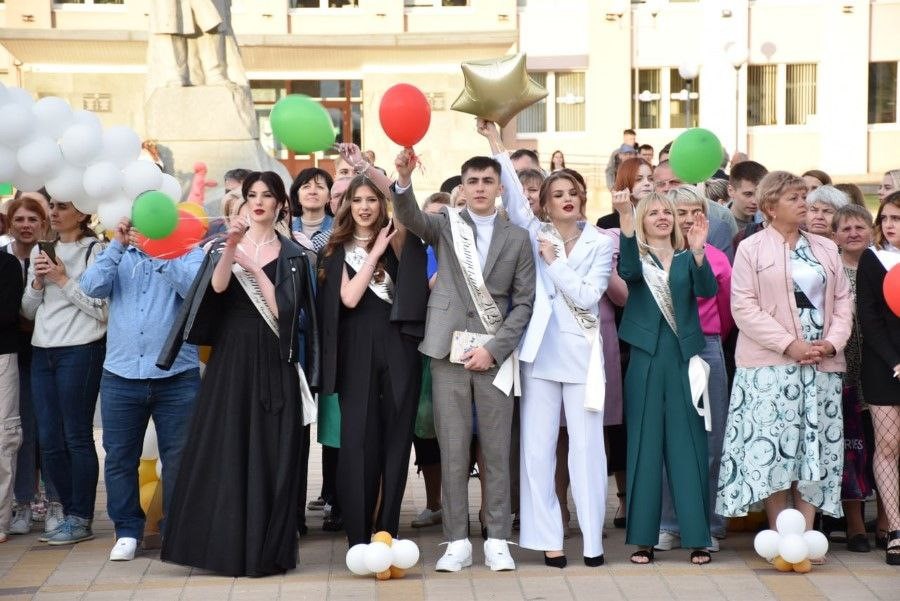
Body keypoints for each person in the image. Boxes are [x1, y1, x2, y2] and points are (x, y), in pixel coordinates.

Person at [159, 171, 319, 577]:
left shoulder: (294, 253)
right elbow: (216, 287)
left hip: (274, 357)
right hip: (231, 357)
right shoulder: (223, 244)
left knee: (271, 450)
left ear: (281, 203)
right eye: (252, 195)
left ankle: (265, 547)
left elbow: (286, 313)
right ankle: (224, 546)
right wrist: (232, 247)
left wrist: (256, 268)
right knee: (227, 446)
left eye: (267, 195)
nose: (259, 201)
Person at [391, 146, 535, 572]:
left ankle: (497, 539)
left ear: (499, 188)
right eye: (472, 181)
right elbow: (410, 216)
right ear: (463, 187)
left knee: (497, 450)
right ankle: (456, 541)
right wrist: (403, 179)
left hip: (494, 355)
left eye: (488, 181)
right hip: (447, 350)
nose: (480, 188)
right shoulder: (446, 225)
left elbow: (524, 303)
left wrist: (495, 348)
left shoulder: (517, 237)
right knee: (452, 449)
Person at [479, 120, 612, 568]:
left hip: (582, 355)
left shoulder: (600, 242)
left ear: (582, 199)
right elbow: (514, 197)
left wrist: (554, 265)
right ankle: (548, 537)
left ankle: (592, 541)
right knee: (536, 451)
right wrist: (496, 142)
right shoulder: (536, 232)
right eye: (557, 194)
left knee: (586, 449)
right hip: (539, 353)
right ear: (546, 203)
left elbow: (589, 296)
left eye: (573, 192)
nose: (566, 198)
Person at [717, 171, 852, 541]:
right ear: (770, 207)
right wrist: (789, 344)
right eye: (794, 198)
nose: (803, 203)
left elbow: (843, 301)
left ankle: (806, 535)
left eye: (803, 196)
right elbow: (743, 307)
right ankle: (780, 537)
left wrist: (831, 343)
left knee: (815, 448)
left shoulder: (826, 248)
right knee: (773, 448)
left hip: (821, 363)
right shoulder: (751, 248)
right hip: (769, 365)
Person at [318, 149, 427, 547]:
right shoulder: (334, 249)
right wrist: (373, 254)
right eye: (357, 200)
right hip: (355, 352)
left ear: (381, 205)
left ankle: (387, 530)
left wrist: (378, 172)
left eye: (372, 200)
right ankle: (359, 534)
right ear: (347, 205)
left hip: (399, 349)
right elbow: (348, 298)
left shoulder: (398, 238)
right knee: (358, 442)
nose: (364, 207)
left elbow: (405, 206)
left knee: (397, 441)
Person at [80, 218, 204, 561]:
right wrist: (117, 246)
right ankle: (127, 531)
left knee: (179, 458)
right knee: (120, 457)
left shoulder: (187, 252)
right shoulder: (114, 252)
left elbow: (195, 290)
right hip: (121, 374)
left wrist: (160, 253)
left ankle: (177, 530)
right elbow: (91, 286)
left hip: (177, 374)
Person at [613, 189, 717, 566]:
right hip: (644, 360)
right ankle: (643, 539)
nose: (662, 217)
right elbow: (627, 273)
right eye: (653, 212)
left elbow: (707, 290)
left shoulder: (688, 258)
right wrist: (626, 223)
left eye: (667, 213)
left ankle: (697, 537)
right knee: (644, 448)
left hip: (683, 360)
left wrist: (700, 251)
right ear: (643, 220)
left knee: (689, 448)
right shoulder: (637, 257)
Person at [21, 200, 107, 546]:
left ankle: (81, 517)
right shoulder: (41, 250)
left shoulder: (96, 251)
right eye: (52, 207)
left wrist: (63, 279)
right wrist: (38, 282)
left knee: (76, 435)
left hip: (81, 349)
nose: (53, 213)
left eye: (62, 207)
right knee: (48, 439)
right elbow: (28, 310)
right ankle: (69, 512)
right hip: (42, 351)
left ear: (82, 213)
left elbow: (101, 310)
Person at [655, 186, 732, 554]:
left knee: (710, 441)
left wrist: (709, 340)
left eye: (694, 212)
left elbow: (727, 309)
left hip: (707, 348)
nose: (687, 219)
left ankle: (709, 524)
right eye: (680, 212)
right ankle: (668, 523)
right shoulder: (656, 255)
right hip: (667, 351)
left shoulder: (716, 258)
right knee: (668, 440)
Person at [2, 196, 61, 537]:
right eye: (19, 219)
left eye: (33, 219)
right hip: (14, 355)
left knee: (51, 429)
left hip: (49, 350)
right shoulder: (3, 259)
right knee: (19, 431)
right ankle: (22, 501)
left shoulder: (52, 256)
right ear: (10, 223)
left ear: (43, 223)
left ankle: (55, 500)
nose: (26, 225)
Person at [855, 190, 900, 565]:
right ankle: (895, 530)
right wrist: (894, 361)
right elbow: (868, 318)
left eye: (897, 219)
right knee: (887, 445)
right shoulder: (872, 259)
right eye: (884, 218)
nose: (888, 225)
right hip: (883, 365)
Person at [832, 204, 875, 553]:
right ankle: (855, 525)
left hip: (880, 371)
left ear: (871, 231)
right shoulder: (831, 270)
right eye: (845, 228)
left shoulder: (883, 267)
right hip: (844, 372)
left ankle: (888, 522)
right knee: (851, 450)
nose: (853, 233)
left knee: (884, 447)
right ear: (835, 236)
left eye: (859, 227)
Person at [654, 161, 736, 261]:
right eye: (661, 184)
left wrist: (698, 252)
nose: (667, 188)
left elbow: (721, 268)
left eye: (674, 182)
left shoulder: (717, 225)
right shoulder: (650, 225)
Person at [0, 250, 24, 543]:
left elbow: (7, 315)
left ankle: (1, 519)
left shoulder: (6, 264)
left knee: (4, 437)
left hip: (2, 357)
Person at [596, 157, 653, 230]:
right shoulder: (606, 223)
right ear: (625, 182)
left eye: (651, 179)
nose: (647, 183)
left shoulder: (662, 218)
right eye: (639, 179)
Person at [289, 168, 334, 246]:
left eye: (320, 187)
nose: (312, 192)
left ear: (329, 197)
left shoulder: (339, 229)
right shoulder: (287, 229)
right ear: (297, 195)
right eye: (306, 186)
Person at [727, 160, 768, 233]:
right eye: (748, 194)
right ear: (731, 191)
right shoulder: (715, 224)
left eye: (760, 194)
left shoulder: (770, 223)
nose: (755, 201)